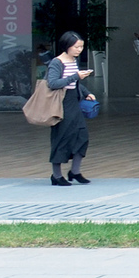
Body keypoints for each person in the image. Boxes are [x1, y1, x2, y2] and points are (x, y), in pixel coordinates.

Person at [43, 31, 95, 187]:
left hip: (73, 101)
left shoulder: (73, 61)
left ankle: (75, 171)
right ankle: (56, 175)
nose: (79, 50)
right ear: (67, 46)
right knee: (61, 138)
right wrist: (76, 77)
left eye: (81, 47)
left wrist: (87, 93)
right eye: (76, 47)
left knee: (81, 136)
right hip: (60, 103)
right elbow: (52, 83)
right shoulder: (57, 62)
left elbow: (75, 84)